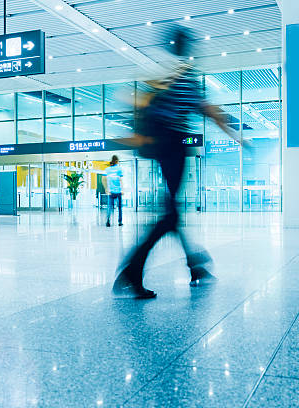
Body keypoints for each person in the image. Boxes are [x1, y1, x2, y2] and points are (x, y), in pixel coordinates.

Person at [113, 26, 245, 299]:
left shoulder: (169, 75)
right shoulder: (185, 76)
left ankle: (195, 267)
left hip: (163, 146)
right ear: (187, 46)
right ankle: (132, 272)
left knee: (172, 212)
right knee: (170, 214)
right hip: (172, 146)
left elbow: (144, 103)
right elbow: (209, 111)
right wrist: (236, 136)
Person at [104, 155, 123, 227]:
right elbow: (120, 180)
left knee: (109, 207)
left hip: (111, 191)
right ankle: (120, 222)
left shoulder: (107, 169)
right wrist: (122, 190)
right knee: (120, 207)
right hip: (118, 191)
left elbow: (105, 180)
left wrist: (107, 189)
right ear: (117, 161)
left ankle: (108, 221)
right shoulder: (119, 169)